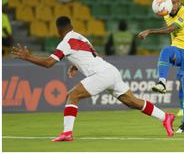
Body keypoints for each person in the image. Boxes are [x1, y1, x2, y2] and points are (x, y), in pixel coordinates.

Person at [11, 16, 175, 142]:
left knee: (72, 95)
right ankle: (165, 117)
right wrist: (76, 65)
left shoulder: (66, 42)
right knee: (132, 102)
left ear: (58, 29)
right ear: (71, 27)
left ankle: (67, 133)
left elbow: (48, 63)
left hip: (101, 75)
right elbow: (90, 54)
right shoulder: (80, 37)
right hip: (110, 71)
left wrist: (28, 57)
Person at [138, 0, 184, 133]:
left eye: (176, 2)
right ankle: (162, 82)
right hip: (178, 50)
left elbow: (172, 29)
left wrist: (150, 31)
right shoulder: (166, 15)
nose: (175, 5)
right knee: (166, 50)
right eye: (172, 3)